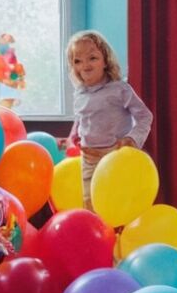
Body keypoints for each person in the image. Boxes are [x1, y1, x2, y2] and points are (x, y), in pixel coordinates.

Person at [63, 30, 153, 210]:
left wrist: (132, 138)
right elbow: (81, 117)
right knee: (90, 204)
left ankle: (121, 236)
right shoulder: (80, 93)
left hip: (115, 156)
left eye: (92, 58)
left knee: (117, 205)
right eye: (77, 61)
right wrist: (73, 136)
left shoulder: (119, 89)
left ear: (106, 61)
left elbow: (144, 116)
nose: (85, 65)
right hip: (89, 157)